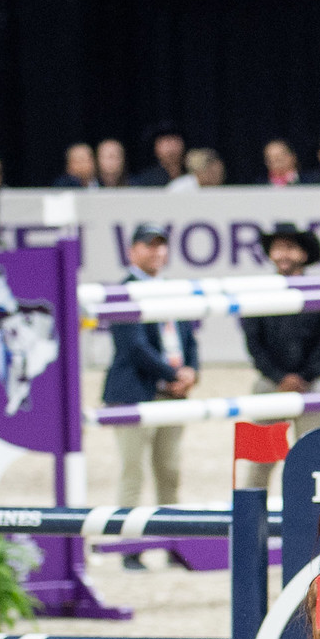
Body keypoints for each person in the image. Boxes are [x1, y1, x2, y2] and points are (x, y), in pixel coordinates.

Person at [105, 224, 198, 564]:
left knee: (169, 471)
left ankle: (175, 545)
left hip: (172, 395)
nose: (157, 252)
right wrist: (175, 373)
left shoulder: (173, 289)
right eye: (148, 246)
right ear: (132, 251)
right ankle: (130, 550)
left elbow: (189, 337)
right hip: (135, 393)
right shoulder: (122, 291)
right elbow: (134, 348)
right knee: (133, 471)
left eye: (160, 246)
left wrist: (191, 372)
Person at [238, 223, 320, 490]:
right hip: (271, 382)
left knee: (318, 460)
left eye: (289, 248)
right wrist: (281, 378)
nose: (283, 255)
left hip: (309, 383)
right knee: (259, 460)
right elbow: (253, 343)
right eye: (278, 248)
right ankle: (252, 521)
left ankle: (313, 522)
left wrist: (303, 376)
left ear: (303, 254)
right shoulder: (259, 291)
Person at [133, 122, 187, 187]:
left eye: (175, 140)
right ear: (156, 146)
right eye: (167, 141)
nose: (171, 146)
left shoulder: (192, 176)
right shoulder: (147, 180)